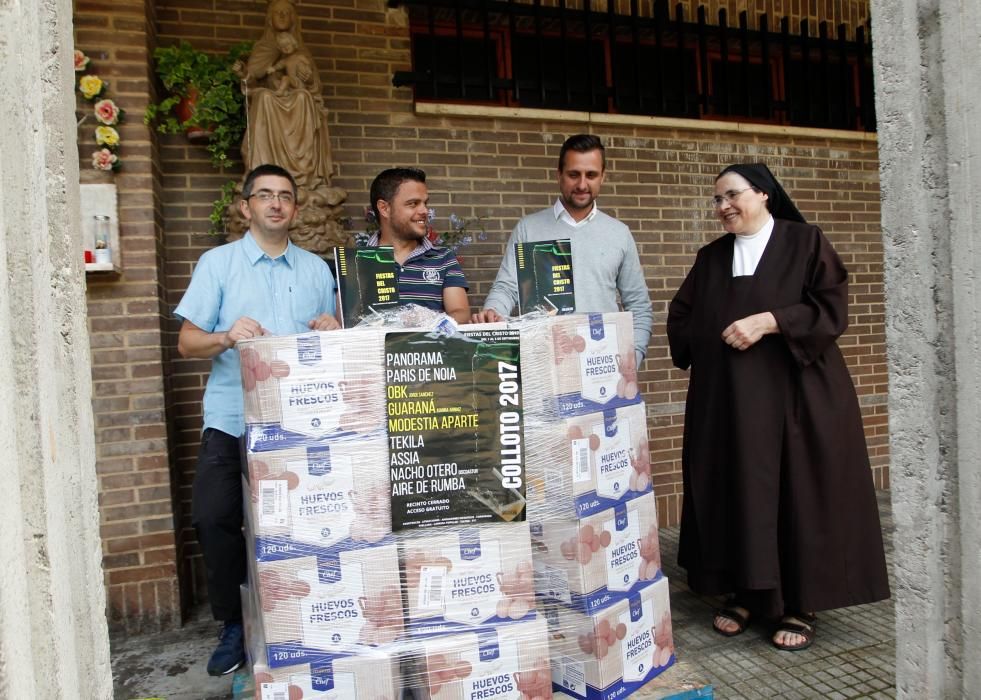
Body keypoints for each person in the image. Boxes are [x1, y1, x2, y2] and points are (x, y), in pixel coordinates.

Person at [666, 163, 890, 651]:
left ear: (763, 194)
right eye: (717, 200)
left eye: (732, 195)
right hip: (729, 403)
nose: (723, 207)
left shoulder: (804, 242)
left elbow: (831, 306)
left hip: (797, 398)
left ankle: (798, 603)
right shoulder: (710, 257)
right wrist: (710, 335)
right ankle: (747, 592)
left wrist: (770, 321)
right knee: (737, 490)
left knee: (797, 494)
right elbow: (682, 316)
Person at [174, 164, 339, 675]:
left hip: (297, 426)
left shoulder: (316, 270)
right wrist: (225, 336)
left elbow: (338, 348)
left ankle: (299, 616)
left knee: (300, 525)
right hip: (232, 419)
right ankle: (234, 626)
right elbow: (186, 344)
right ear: (246, 206)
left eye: (285, 196)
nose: (275, 204)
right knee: (214, 515)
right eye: (264, 195)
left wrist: (333, 325)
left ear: (294, 207)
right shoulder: (218, 264)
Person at [471, 134, 653, 367]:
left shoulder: (619, 234)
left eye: (591, 175)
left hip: (601, 365)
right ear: (559, 174)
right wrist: (493, 312)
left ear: (603, 177)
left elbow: (638, 304)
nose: (582, 185)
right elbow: (508, 287)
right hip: (544, 365)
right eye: (574, 174)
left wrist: (633, 357)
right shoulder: (529, 229)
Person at [237, 0, 333, 188]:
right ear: (270, 19)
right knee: (263, 97)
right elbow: (253, 79)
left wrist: (309, 79)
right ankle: (263, 169)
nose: (281, 16)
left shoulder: (301, 51)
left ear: (293, 19)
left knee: (304, 98)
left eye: (286, 12)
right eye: (277, 12)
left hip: (296, 96)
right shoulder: (262, 48)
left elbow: (315, 87)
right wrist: (244, 74)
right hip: (271, 99)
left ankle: (303, 171)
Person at [366, 167, 471, 324]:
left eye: (425, 203)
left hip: (430, 348)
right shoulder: (356, 261)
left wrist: (427, 322)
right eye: (413, 203)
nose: (424, 211)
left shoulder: (443, 258)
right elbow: (347, 323)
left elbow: (461, 314)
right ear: (384, 208)